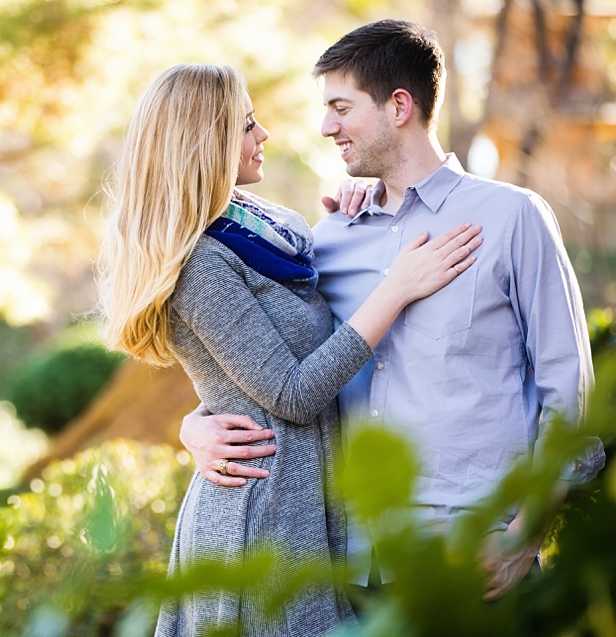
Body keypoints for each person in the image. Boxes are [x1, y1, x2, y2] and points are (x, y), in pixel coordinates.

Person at [178, 19, 605, 603]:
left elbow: (568, 393)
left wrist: (525, 537)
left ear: (399, 106)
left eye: (341, 108)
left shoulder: (513, 219)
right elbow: (278, 362)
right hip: (352, 568)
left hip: (474, 556)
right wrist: (197, 425)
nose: (326, 127)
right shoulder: (330, 238)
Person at [97, 63, 482, 637]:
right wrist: (397, 288)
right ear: (206, 142)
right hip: (262, 515)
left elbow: (269, 355)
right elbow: (293, 393)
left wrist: (360, 202)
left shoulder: (262, 230)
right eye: (246, 125)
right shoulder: (200, 264)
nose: (264, 135)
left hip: (310, 510)